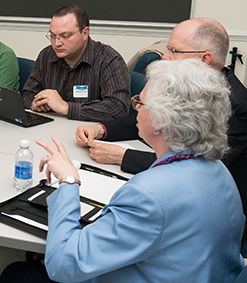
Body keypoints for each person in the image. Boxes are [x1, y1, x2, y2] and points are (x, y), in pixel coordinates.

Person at [0, 59, 244, 282]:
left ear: (161, 121)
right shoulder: (219, 170)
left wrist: (67, 181)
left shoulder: (148, 194)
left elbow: (63, 264)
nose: (135, 107)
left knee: (17, 274)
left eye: (141, 102)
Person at [75, 17, 247, 246]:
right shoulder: (189, 86)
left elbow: (199, 163)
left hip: (200, 220)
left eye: (174, 51)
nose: (165, 57)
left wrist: (123, 156)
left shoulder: (234, 105)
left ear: (205, 59)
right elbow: (147, 114)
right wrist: (102, 129)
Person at [22, 5, 130, 122]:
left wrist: (66, 107)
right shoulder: (46, 55)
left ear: (85, 33)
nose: (57, 43)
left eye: (65, 36)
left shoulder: (108, 60)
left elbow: (118, 108)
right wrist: (36, 104)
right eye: (53, 36)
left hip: (88, 133)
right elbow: (28, 94)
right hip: (51, 129)